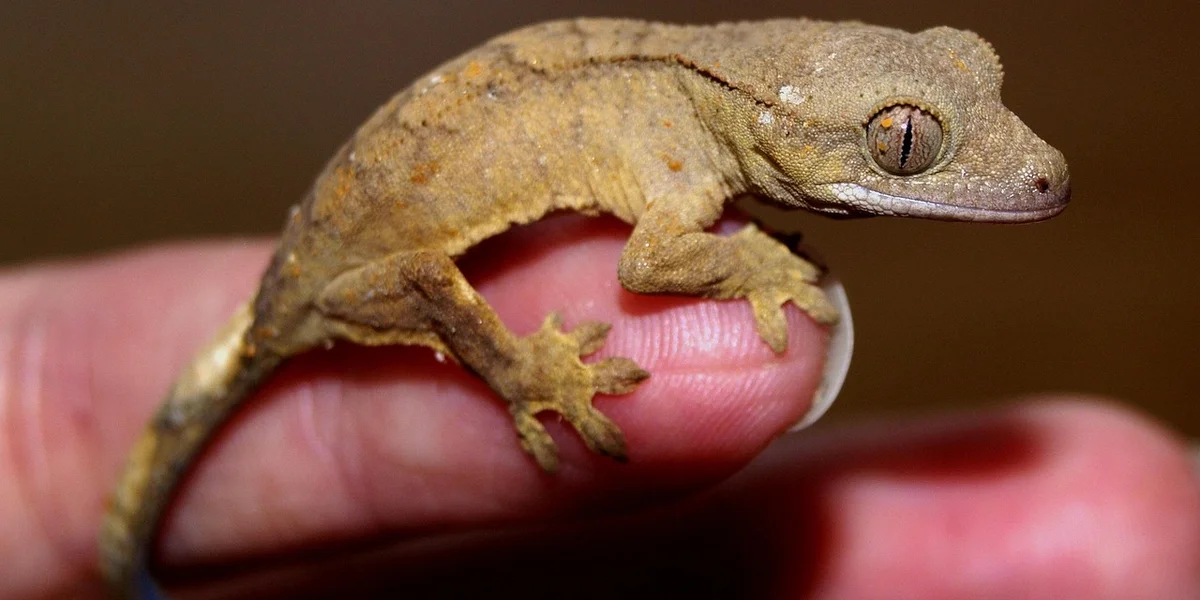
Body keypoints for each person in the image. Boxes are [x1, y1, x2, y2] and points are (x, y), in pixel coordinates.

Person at [2, 216, 1198, 599]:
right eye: (902, 145)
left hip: (337, 247)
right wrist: (526, 372)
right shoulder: (684, 179)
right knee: (434, 287)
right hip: (353, 276)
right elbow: (656, 267)